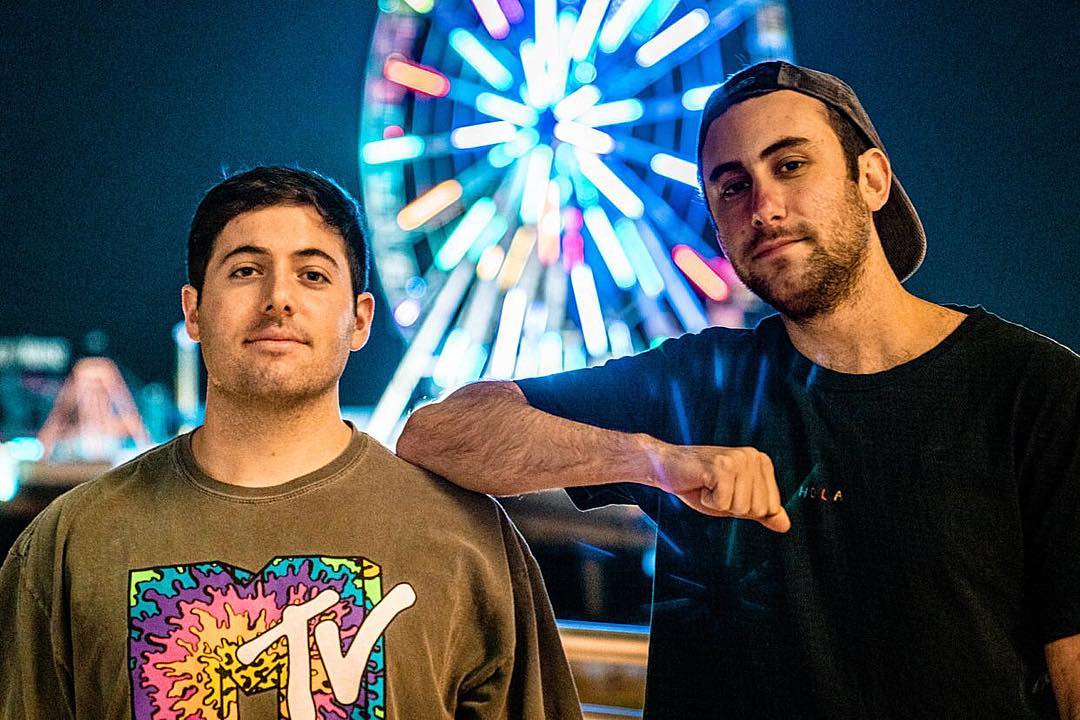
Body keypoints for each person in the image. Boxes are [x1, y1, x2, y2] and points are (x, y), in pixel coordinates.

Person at [396, 62, 1080, 718]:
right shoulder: (697, 385)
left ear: (871, 178)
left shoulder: (1035, 393)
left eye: (791, 165)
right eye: (730, 187)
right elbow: (436, 434)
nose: (764, 207)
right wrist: (657, 461)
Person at [0, 166, 581, 719]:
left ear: (360, 320)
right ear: (194, 311)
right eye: (245, 271)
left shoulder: (469, 542)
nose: (278, 297)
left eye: (313, 275)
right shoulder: (69, 544)